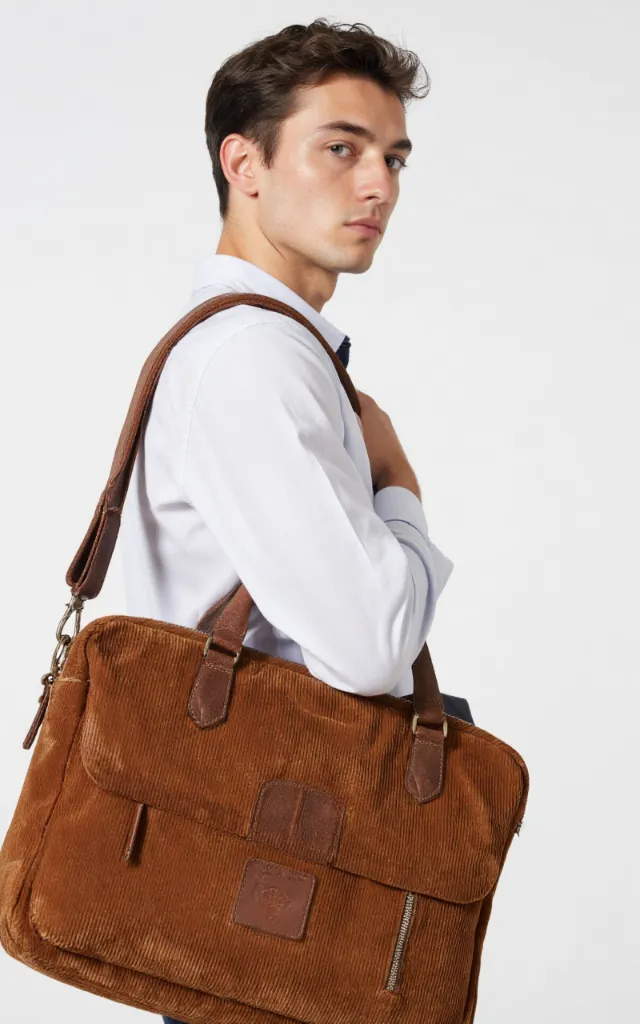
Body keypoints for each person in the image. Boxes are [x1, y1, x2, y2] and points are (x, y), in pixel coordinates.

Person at [118, 19, 473, 1023]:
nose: (379, 186)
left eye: (393, 157)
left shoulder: (266, 350)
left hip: (259, 874)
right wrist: (398, 485)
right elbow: (370, 648)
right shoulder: (251, 359)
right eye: (341, 148)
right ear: (245, 164)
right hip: (269, 889)